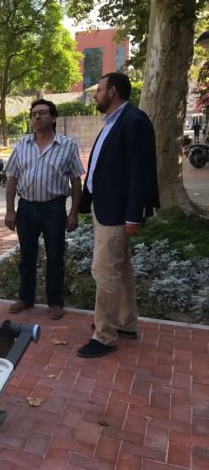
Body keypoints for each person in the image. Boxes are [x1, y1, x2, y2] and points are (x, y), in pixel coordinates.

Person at [77, 73, 159, 358]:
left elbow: (141, 171)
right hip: (106, 208)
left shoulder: (134, 121)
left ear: (112, 92)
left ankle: (105, 335)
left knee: (105, 271)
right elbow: (100, 166)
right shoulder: (113, 123)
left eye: (98, 90)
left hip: (118, 212)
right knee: (121, 269)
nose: (95, 95)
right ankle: (126, 323)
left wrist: (134, 214)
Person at [4, 99, 84, 320]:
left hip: (54, 209)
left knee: (55, 257)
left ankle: (55, 301)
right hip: (26, 209)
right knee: (26, 257)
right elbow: (12, 179)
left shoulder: (67, 146)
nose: (37, 117)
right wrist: (10, 210)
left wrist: (73, 213)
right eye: (33, 114)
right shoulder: (21, 145)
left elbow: (76, 181)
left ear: (54, 118)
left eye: (42, 113)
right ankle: (25, 298)